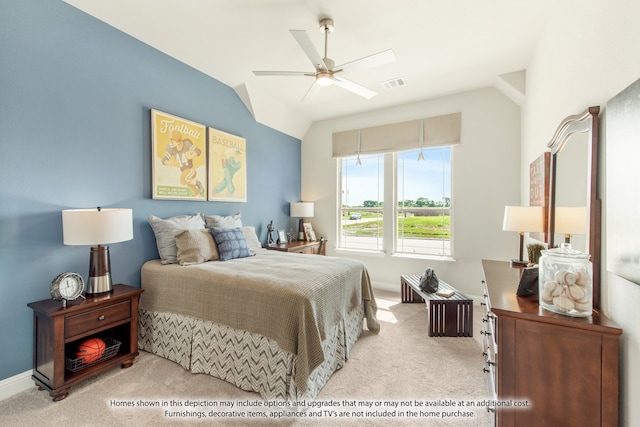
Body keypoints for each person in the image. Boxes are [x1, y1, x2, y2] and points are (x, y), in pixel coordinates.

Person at [161, 130, 204, 197]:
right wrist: (170, 163)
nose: (171, 142)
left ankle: (197, 183)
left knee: (182, 180)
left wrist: (191, 156)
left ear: (178, 140)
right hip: (183, 172)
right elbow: (164, 160)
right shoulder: (171, 148)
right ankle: (198, 196)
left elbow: (198, 151)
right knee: (193, 191)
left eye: (173, 140)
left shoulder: (186, 143)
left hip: (190, 169)